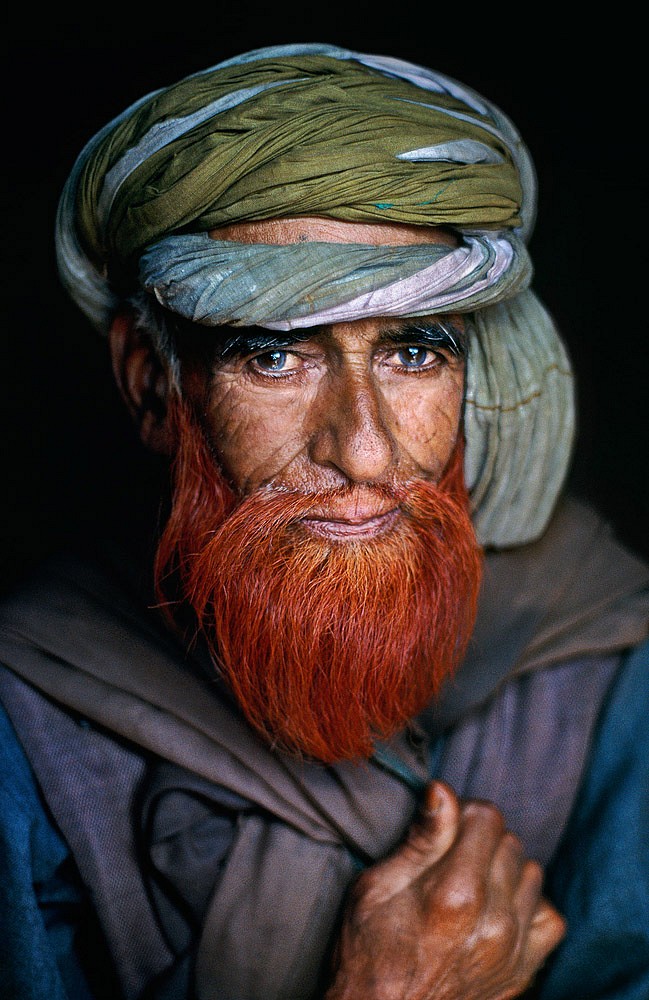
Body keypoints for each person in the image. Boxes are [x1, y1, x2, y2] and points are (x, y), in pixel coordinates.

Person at [0, 42, 647, 1000]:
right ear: (151, 383)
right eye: (274, 359)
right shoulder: (25, 715)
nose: (367, 452)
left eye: (414, 353)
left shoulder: (604, 658)